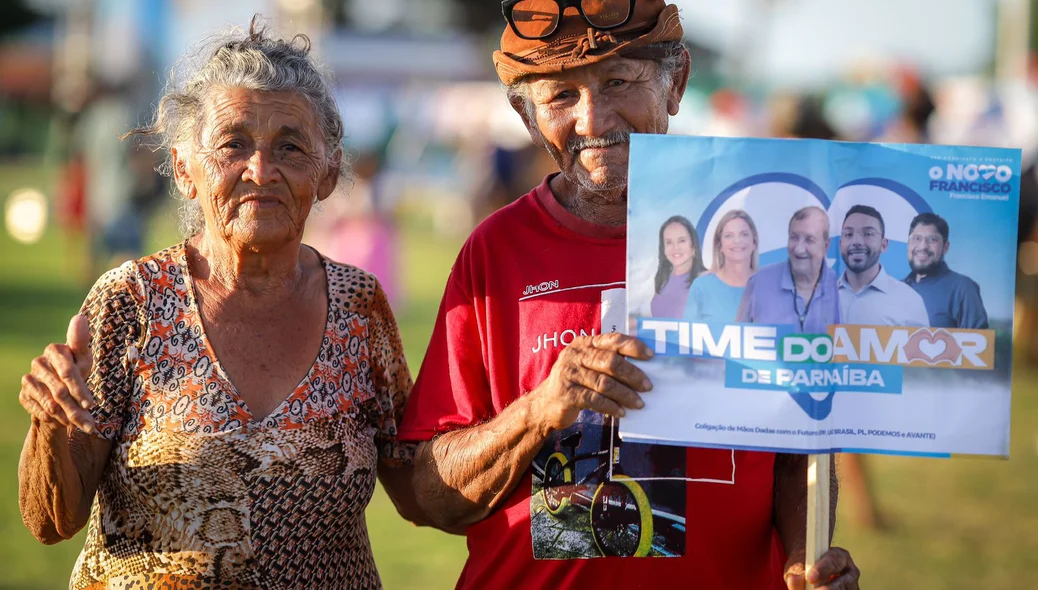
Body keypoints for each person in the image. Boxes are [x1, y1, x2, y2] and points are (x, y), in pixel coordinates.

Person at [400, 2, 859, 589]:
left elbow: (799, 451)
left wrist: (804, 558)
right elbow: (432, 499)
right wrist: (540, 411)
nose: (593, 119)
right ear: (525, 114)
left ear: (678, 82)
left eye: (618, 81)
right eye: (561, 96)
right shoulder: (494, 254)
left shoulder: (759, 234)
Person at [17, 22, 423, 589]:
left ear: (326, 173)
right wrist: (51, 422)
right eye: (233, 144)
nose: (261, 170)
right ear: (185, 169)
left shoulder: (359, 306)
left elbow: (421, 489)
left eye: (290, 146)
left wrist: (529, 422)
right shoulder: (131, 302)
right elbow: (50, 521)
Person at [736, 206, 840, 332]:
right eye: (794, 237)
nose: (799, 249)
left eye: (809, 240)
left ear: (826, 246)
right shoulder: (759, 283)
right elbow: (737, 343)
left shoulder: (839, 287)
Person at [837, 205, 929, 327]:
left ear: (884, 245)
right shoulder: (819, 297)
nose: (856, 242)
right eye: (848, 234)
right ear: (840, 244)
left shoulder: (909, 300)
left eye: (868, 234)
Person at [904, 212, 988, 329]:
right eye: (917, 238)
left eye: (932, 240)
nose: (923, 246)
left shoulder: (963, 288)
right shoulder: (897, 288)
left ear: (945, 247)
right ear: (908, 244)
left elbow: (979, 345)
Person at [685, 208, 758, 322]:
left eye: (744, 234)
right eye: (729, 235)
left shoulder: (768, 286)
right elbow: (686, 336)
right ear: (720, 246)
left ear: (754, 243)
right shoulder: (702, 286)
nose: (737, 241)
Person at [650, 215, 704, 317]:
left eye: (682, 240)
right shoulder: (662, 278)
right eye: (669, 242)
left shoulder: (706, 281)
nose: (675, 248)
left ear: (693, 245)